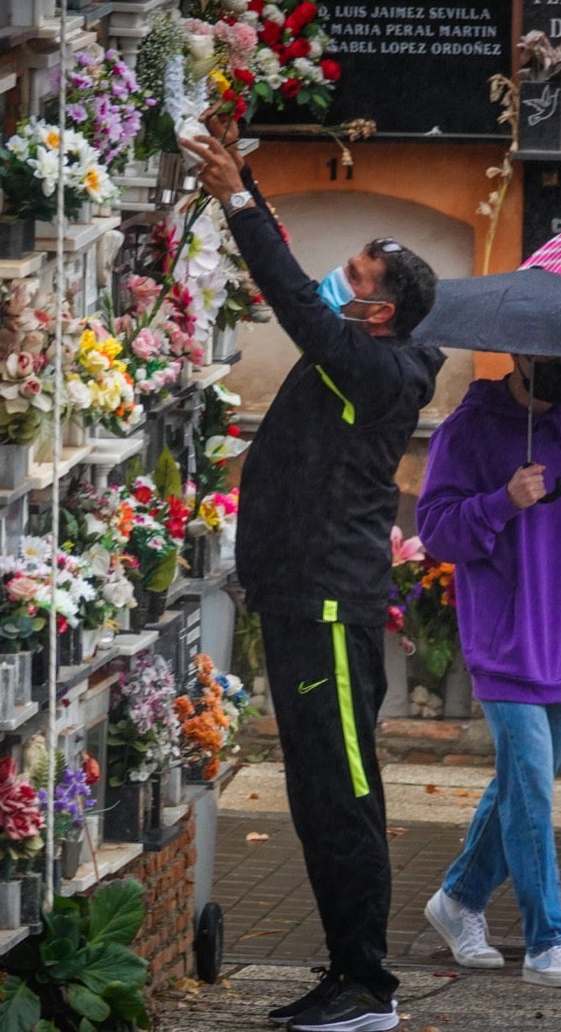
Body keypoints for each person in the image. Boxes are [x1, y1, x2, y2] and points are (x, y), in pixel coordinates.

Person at [180, 124, 443, 1032]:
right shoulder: (364, 354)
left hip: (330, 612)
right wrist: (239, 173)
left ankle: (366, 986)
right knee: (320, 792)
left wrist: (239, 202)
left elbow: (292, 297)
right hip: (304, 606)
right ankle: (351, 976)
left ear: (380, 312)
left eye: (358, 279)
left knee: (342, 795)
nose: (341, 280)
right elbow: (301, 285)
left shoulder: (373, 369)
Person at [416, 354, 561, 989]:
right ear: (519, 355)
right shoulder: (468, 428)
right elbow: (434, 531)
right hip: (504, 640)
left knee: (521, 782)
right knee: (533, 786)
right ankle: (548, 941)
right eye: (550, 356)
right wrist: (501, 502)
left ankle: (457, 901)